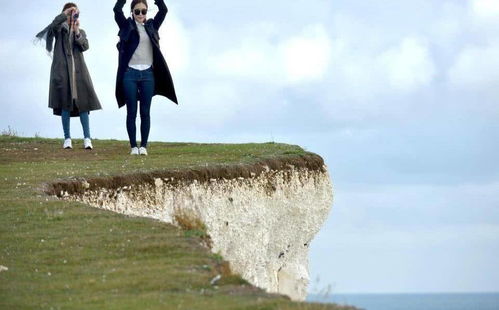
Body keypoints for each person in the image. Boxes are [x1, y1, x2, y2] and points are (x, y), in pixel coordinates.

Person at [114, 0, 178, 156]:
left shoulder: (152, 26)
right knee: (131, 111)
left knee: (145, 112)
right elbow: (116, 9)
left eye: (144, 11)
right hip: (130, 74)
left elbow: (163, 10)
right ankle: (133, 147)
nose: (141, 14)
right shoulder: (126, 26)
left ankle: (143, 146)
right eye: (137, 11)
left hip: (148, 75)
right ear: (132, 12)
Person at [36, 3, 102, 150]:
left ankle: (87, 138)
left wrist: (76, 30)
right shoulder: (59, 30)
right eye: (70, 14)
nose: (72, 17)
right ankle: (67, 138)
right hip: (62, 73)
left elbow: (85, 46)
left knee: (84, 105)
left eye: (75, 14)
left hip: (79, 74)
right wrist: (64, 15)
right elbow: (52, 28)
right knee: (65, 104)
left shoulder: (81, 31)